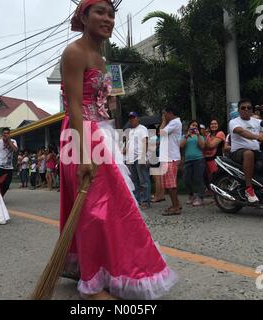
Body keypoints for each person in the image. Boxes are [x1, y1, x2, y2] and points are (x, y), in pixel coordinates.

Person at [59, 0, 177, 300]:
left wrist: (112, 116)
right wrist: (84, 154)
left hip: (104, 132)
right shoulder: (74, 52)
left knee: (112, 207)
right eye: (100, 12)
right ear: (82, 17)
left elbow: (108, 104)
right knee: (93, 210)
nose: (108, 19)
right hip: (81, 134)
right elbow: (73, 105)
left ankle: (105, 268)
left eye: (112, 14)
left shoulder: (103, 58)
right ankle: (92, 284)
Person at [229, 99, 263, 203]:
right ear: (239, 110)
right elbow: (241, 132)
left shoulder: (257, 122)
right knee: (248, 153)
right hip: (238, 152)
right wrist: (257, 137)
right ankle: (249, 189)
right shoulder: (234, 122)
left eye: (249, 108)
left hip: (256, 152)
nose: (246, 110)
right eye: (243, 108)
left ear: (252, 110)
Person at [159, 105, 183, 215]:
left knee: (171, 184)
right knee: (169, 184)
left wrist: (163, 121)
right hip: (168, 157)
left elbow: (161, 133)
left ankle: (175, 207)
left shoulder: (175, 122)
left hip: (171, 158)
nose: (164, 115)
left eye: (165, 113)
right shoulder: (173, 123)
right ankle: (176, 204)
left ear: (170, 113)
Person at [125, 112, 151, 209]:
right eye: (130, 118)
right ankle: (137, 200)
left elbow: (145, 142)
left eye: (133, 117)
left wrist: (143, 157)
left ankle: (145, 201)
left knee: (143, 181)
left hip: (140, 158)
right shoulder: (130, 131)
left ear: (137, 118)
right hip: (131, 159)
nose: (131, 119)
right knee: (134, 181)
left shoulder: (142, 129)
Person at [181, 120, 206, 206]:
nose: (194, 126)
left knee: (198, 178)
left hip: (199, 159)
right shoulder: (185, 136)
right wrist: (186, 136)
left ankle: (200, 197)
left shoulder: (200, 136)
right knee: (186, 178)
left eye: (196, 125)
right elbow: (181, 145)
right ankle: (191, 195)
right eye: (192, 125)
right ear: (189, 126)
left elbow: (202, 146)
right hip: (188, 160)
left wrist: (198, 135)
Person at [0, 128, 18, 197]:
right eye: (4, 133)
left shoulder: (13, 141)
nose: (6, 135)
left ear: (9, 134)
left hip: (9, 167)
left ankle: (0, 196)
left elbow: (16, 150)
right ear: (2, 134)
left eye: (8, 133)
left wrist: (9, 141)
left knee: (7, 184)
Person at [148, 125, 165, 203]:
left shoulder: (153, 138)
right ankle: (161, 195)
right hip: (160, 157)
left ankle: (157, 196)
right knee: (160, 178)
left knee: (156, 178)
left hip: (155, 157)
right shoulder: (158, 137)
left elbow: (151, 148)